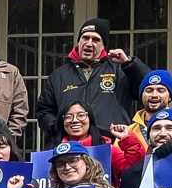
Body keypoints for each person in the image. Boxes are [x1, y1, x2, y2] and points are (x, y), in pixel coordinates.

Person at [36, 18, 149, 146]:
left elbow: (152, 87)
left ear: (103, 46)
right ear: (78, 41)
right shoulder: (59, 75)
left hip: (112, 145)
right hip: (70, 147)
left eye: (95, 40)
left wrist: (129, 64)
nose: (89, 43)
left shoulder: (120, 70)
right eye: (85, 38)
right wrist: (59, 129)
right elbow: (44, 111)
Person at [53, 101, 144, 187]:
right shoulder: (52, 153)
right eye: (68, 116)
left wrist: (127, 139)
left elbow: (133, 170)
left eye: (81, 115)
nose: (75, 120)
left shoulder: (108, 150)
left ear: (90, 119)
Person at [127, 69, 172, 147]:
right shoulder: (127, 132)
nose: (154, 95)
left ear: (170, 97)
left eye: (161, 90)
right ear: (141, 96)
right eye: (149, 90)